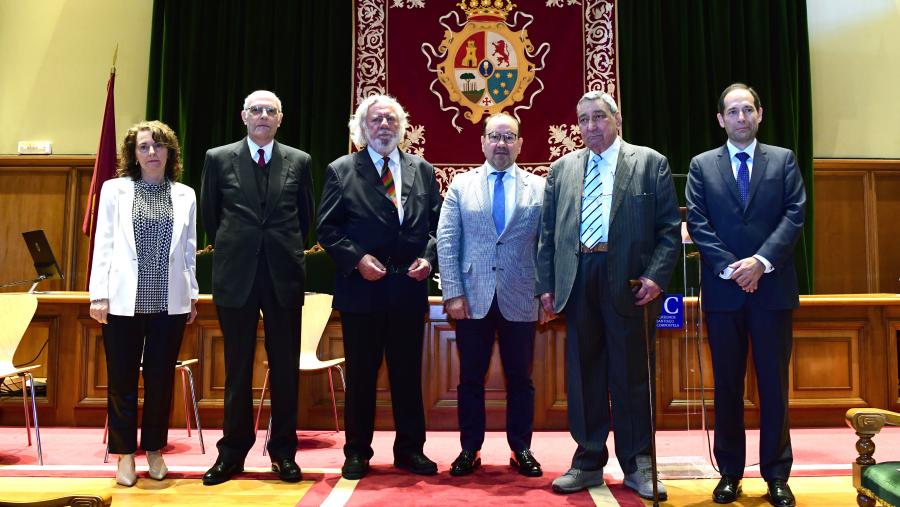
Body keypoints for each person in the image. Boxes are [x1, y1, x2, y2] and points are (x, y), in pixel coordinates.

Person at [535, 91, 680, 499]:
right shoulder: (562, 169)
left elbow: (668, 230)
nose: (591, 126)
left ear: (617, 120)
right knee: (584, 376)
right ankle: (587, 461)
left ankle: (638, 463)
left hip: (630, 283)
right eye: (583, 119)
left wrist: (655, 277)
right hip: (578, 278)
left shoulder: (649, 163)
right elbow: (547, 233)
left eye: (599, 117)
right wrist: (546, 285)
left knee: (632, 375)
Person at [686, 83, 805, 507]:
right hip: (724, 294)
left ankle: (777, 476)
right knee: (727, 388)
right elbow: (698, 222)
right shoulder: (702, 166)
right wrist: (733, 269)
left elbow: (794, 215)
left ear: (760, 114)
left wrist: (760, 262)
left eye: (747, 109)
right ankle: (730, 474)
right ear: (721, 119)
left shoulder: (783, 160)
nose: (741, 117)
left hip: (772, 290)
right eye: (733, 111)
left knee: (774, 387)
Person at [316, 94, 442, 480]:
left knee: (407, 375)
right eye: (376, 120)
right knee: (361, 377)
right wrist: (357, 259)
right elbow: (327, 228)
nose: (384, 126)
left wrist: (429, 258)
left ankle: (410, 450)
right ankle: (357, 452)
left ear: (401, 127)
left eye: (391, 120)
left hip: (408, 289)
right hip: (362, 291)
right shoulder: (341, 170)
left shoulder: (422, 169)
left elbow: (437, 226)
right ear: (362, 128)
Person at [199, 90, 314, 485]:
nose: (263, 115)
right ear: (244, 116)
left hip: (283, 276)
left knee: (285, 369)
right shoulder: (218, 158)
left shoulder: (299, 160)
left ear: (280, 119)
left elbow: (305, 218)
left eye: (271, 110)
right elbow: (211, 217)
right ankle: (232, 454)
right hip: (236, 275)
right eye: (256, 110)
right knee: (236, 369)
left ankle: (283, 453)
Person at [88, 120, 199, 487]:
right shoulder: (115, 190)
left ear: (170, 152)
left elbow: (188, 251)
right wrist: (98, 294)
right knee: (121, 379)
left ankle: (153, 449)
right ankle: (124, 455)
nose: (152, 152)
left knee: (160, 380)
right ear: (133, 154)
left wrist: (192, 294)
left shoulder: (185, 194)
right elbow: (103, 242)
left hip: (170, 302)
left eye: (159, 146)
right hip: (122, 302)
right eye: (144, 147)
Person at [436, 112, 545, 477]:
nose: (501, 143)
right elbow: (447, 241)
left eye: (509, 137)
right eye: (495, 137)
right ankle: (470, 449)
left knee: (521, 380)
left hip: (522, 296)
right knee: (470, 378)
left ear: (520, 144)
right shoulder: (460, 185)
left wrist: (547, 293)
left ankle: (521, 448)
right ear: (482, 142)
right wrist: (452, 292)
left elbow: (547, 246)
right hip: (471, 298)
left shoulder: (539, 187)